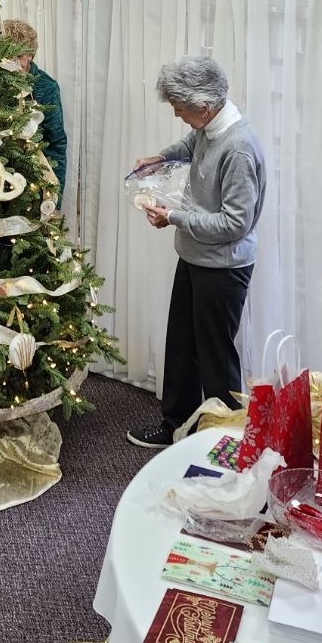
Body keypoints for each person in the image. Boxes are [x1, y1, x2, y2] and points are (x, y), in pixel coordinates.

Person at [126, 55, 267, 451]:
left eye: (180, 107)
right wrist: (162, 157)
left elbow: (235, 224)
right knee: (183, 345)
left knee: (215, 360)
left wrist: (174, 216)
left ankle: (226, 440)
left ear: (204, 106)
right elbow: (192, 142)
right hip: (194, 257)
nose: (177, 114)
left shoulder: (238, 149)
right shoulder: (210, 126)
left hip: (222, 268)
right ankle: (177, 427)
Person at [0, 18, 67, 205]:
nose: (14, 63)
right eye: (7, 57)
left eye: (19, 56)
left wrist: (55, 198)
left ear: (30, 55)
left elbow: (56, 143)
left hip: (34, 183)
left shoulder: (47, 87)